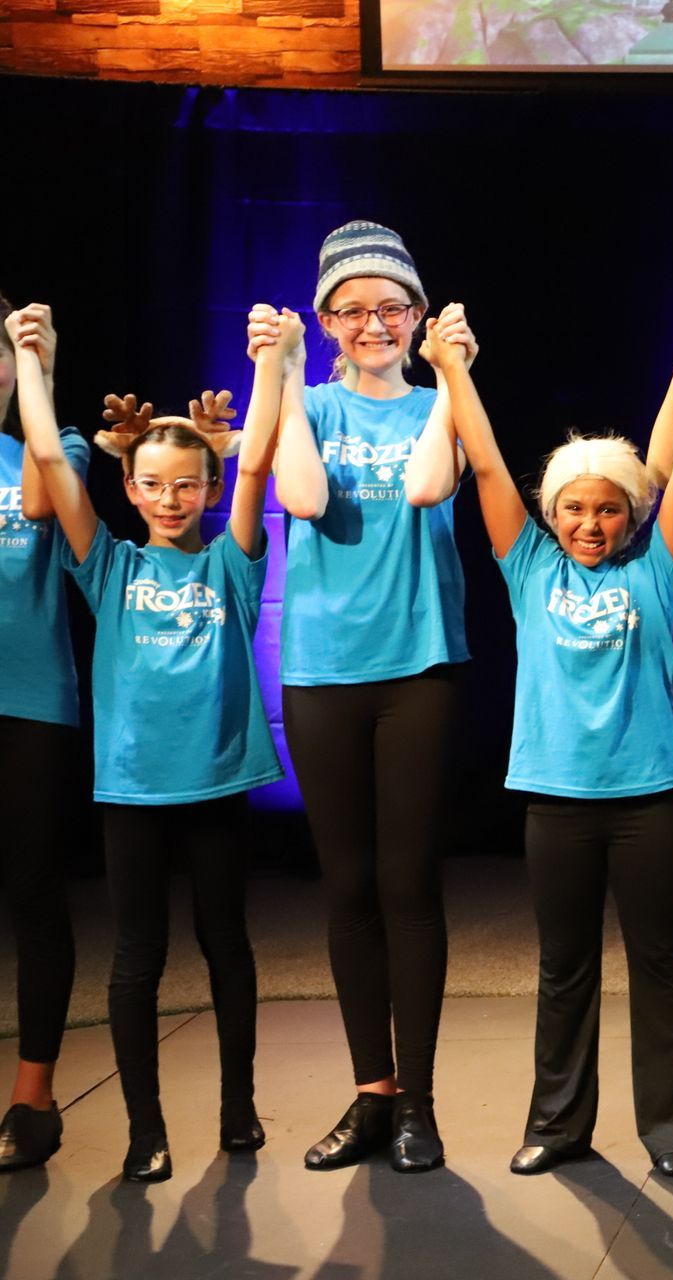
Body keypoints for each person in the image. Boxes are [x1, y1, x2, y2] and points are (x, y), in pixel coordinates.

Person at [421, 308, 673, 1178]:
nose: (589, 523)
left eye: (605, 509)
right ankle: (559, 1127)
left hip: (646, 803)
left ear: (629, 516)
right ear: (549, 513)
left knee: (659, 964)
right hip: (555, 802)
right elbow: (484, 462)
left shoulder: (654, 569)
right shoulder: (529, 567)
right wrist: (452, 369)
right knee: (564, 970)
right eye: (572, 508)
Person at [11, 305, 297, 1182]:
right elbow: (53, 464)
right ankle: (145, 1130)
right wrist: (35, 362)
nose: (171, 500)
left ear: (209, 490)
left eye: (187, 484)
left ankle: (238, 1108)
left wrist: (270, 362)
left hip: (214, 785)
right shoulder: (109, 565)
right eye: (153, 484)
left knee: (226, 947)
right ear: (129, 490)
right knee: (136, 960)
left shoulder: (231, 564)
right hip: (132, 792)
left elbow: (254, 472)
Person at [264, 221, 479, 1174]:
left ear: (417, 315)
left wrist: (450, 378)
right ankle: (370, 1091)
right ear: (325, 320)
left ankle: (420, 1105)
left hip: (419, 669)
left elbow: (432, 485)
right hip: (322, 672)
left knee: (407, 884)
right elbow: (305, 499)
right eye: (351, 310)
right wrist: (280, 376)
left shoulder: (443, 405)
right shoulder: (301, 404)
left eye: (390, 307)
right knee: (348, 886)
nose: (372, 324)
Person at [0, 299, 82, 1173]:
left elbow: (35, 494)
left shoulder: (52, 451)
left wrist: (40, 372)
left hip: (28, 707)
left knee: (33, 896)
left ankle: (34, 1098)